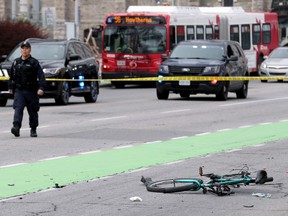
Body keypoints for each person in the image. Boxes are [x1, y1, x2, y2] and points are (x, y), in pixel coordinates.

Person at [8, 40, 46, 137]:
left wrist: (41, 87)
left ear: (30, 50)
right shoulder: (16, 62)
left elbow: (41, 76)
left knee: (33, 111)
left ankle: (33, 129)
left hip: (31, 91)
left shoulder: (34, 62)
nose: (25, 50)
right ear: (20, 50)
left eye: (27, 48)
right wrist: (10, 87)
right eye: (23, 48)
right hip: (19, 91)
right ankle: (16, 127)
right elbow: (11, 76)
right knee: (18, 109)